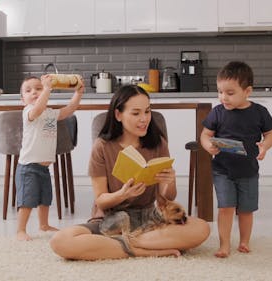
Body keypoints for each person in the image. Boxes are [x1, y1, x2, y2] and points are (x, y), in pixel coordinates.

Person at [49, 85, 210, 260]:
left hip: (149, 221)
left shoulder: (158, 143)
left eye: (147, 111)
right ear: (118, 115)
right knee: (60, 241)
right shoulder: (102, 147)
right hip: (110, 222)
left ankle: (125, 246)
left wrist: (170, 181)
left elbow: (168, 197)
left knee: (202, 228)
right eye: (136, 113)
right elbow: (101, 201)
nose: (144, 119)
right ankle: (143, 248)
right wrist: (122, 194)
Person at [200, 61, 272, 258]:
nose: (223, 97)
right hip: (222, 170)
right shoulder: (217, 112)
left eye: (230, 93)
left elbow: (270, 134)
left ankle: (244, 241)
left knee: (246, 210)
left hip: (249, 171)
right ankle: (224, 244)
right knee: (225, 207)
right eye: (219, 92)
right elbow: (205, 135)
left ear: (247, 91)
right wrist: (208, 145)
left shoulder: (259, 112)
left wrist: (265, 145)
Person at [16, 75, 84, 241]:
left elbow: (69, 110)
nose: (34, 92)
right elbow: (38, 109)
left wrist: (78, 93)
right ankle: (20, 230)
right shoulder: (29, 112)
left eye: (38, 88)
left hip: (44, 167)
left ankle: (44, 225)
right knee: (27, 200)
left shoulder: (50, 113)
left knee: (45, 198)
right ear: (22, 100)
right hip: (28, 167)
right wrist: (46, 89)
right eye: (28, 90)